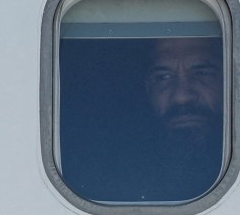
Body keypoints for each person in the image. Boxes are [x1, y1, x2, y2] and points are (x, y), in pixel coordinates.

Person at [64, 36, 224, 203]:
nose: (181, 97)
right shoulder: (108, 175)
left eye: (203, 73)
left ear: (229, 79)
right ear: (148, 89)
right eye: (163, 77)